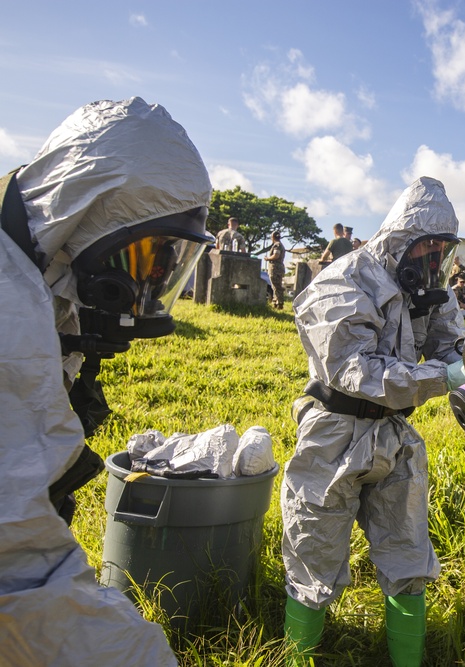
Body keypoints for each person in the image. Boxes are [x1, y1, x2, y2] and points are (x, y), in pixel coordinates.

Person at [0, 97, 214, 665]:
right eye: (151, 250)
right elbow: (22, 582)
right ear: (93, 215)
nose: (159, 273)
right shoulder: (8, 303)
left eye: (170, 255)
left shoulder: (45, 271)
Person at [281, 177, 465, 666]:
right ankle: (299, 654)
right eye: (427, 246)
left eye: (442, 249)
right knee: (314, 548)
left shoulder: (429, 286)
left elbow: (450, 344)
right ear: (400, 241)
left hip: (395, 435)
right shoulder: (341, 282)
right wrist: (449, 375)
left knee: (408, 550)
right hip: (333, 433)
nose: (435, 258)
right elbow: (357, 371)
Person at [264, 230, 287, 308]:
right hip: (278, 267)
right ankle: (276, 302)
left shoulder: (277, 245)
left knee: (276, 286)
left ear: (272, 237)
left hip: (275, 268)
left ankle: (279, 303)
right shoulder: (281, 245)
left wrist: (267, 258)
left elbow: (276, 255)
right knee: (276, 286)